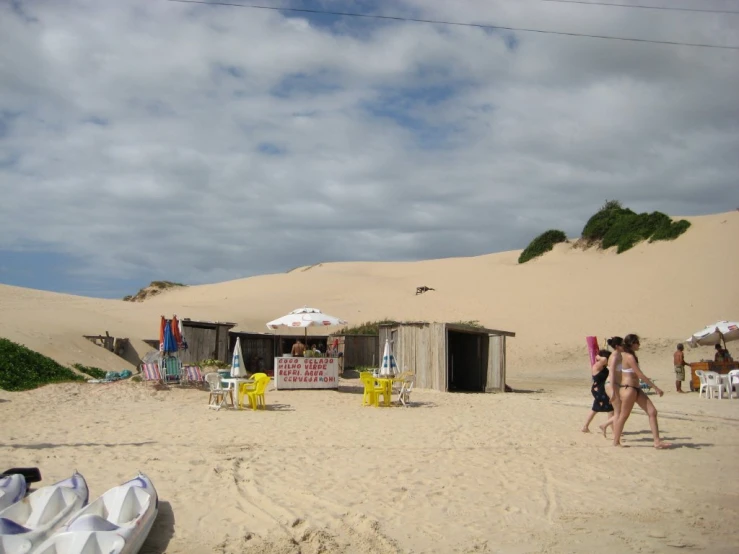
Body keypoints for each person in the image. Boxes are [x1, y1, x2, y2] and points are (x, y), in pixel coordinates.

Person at [611, 334, 672, 449]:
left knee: (652, 412)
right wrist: (655, 387)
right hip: (629, 389)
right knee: (624, 416)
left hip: (636, 389)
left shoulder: (629, 355)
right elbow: (639, 374)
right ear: (632, 343)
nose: (639, 345)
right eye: (637, 342)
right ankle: (616, 441)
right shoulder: (629, 356)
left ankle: (657, 441)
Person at [582, 349, 616, 435]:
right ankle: (613, 430)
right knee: (610, 409)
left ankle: (585, 426)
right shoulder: (597, 365)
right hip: (600, 390)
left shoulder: (603, 366)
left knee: (596, 408)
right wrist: (598, 356)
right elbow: (604, 359)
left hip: (599, 389)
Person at [606, 336, 625, 437]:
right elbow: (612, 372)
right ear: (617, 346)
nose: (624, 346)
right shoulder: (614, 356)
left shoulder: (619, 355)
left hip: (617, 384)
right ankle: (614, 432)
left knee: (614, 410)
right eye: (622, 344)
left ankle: (612, 429)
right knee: (618, 411)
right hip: (612, 384)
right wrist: (613, 389)